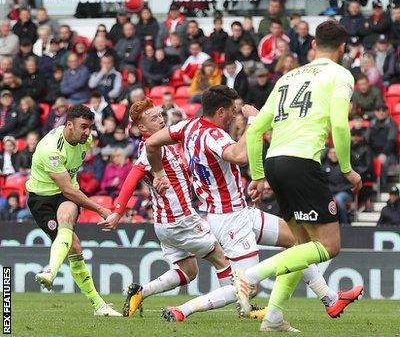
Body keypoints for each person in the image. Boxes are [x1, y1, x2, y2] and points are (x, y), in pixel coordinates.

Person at [144, 86, 348, 326]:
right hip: (229, 218)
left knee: (297, 242)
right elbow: (240, 156)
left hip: (239, 211)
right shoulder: (214, 135)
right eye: (232, 111)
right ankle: (182, 309)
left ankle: (330, 298)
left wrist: (159, 173)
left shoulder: (186, 127)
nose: (234, 116)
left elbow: (151, 143)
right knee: (247, 287)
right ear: (220, 112)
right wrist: (254, 120)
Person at [233, 21, 364, 332]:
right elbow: (341, 126)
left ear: (313, 46)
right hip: (303, 162)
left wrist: (258, 175)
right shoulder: (340, 75)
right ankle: (250, 276)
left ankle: (273, 317)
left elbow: (257, 131)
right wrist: (347, 169)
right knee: (329, 246)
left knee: (299, 246)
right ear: (343, 48)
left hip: (276, 161)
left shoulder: (287, 77)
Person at [97, 99, 241, 319]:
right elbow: (132, 175)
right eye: (153, 118)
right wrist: (118, 211)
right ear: (142, 128)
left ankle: (141, 293)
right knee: (223, 261)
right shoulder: (151, 148)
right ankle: (243, 309)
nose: (161, 119)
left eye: (160, 115)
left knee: (189, 270)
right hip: (181, 219)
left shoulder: (163, 142)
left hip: (165, 223)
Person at [25, 105, 120, 316]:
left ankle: (50, 270)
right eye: (83, 127)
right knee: (75, 246)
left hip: (65, 193)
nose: (88, 133)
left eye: (90, 127)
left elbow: (68, 190)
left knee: (66, 217)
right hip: (42, 199)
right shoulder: (51, 149)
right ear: (68, 125)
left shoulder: (84, 139)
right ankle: (99, 305)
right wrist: (101, 209)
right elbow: (67, 188)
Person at [367, 103, 398, 190]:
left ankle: (382, 186)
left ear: (387, 112)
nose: (381, 113)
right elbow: (366, 140)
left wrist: (384, 153)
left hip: (389, 154)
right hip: (373, 152)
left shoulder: (392, 124)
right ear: (375, 112)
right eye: (378, 110)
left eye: (383, 110)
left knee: (382, 162)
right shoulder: (372, 124)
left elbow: (391, 142)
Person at [324, 147, 353, 224]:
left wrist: (338, 189)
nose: (334, 155)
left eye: (335, 153)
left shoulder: (345, 166)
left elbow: (352, 183)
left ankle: (344, 224)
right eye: (331, 153)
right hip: (329, 193)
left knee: (338, 199)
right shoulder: (324, 167)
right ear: (328, 155)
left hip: (345, 193)